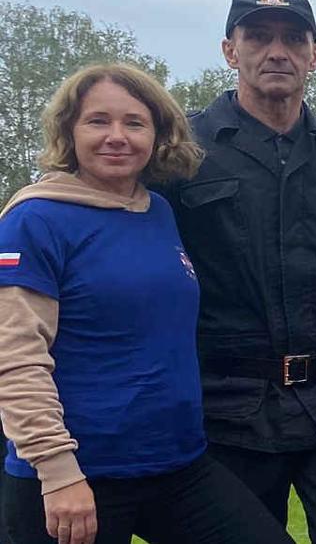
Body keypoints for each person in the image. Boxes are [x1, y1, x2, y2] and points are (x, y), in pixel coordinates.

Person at [0, 63, 291, 544]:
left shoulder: (156, 211)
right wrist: (57, 469)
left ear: (158, 135)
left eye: (134, 123)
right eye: (98, 121)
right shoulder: (35, 220)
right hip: (74, 478)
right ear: (69, 131)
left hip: (176, 465)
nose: (116, 136)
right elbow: (15, 358)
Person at [163, 0, 316, 539]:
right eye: (258, 37)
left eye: (293, 38)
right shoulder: (179, 151)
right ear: (230, 51)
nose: (276, 51)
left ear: (315, 54)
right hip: (228, 409)